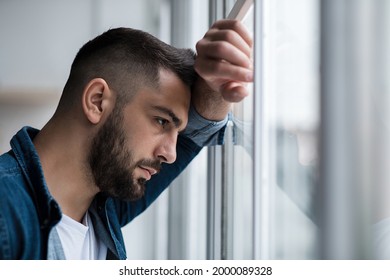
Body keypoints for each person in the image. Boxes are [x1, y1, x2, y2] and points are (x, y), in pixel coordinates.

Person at [0, 19, 253, 260]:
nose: (171, 154)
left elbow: (199, 129)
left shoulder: (104, 205)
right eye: (161, 121)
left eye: (176, 131)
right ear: (97, 101)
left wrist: (216, 83)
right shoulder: (6, 212)